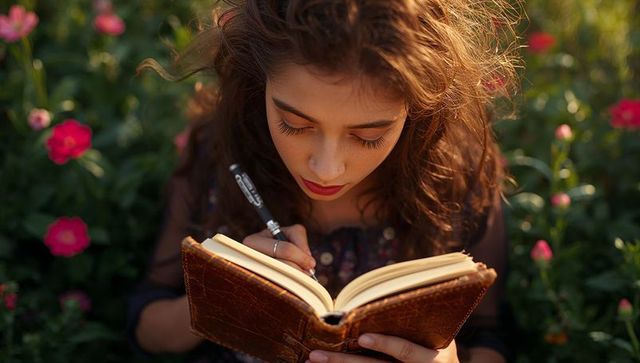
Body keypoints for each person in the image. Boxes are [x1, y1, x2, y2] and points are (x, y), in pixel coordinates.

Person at [127, 0, 520, 362]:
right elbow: (147, 328)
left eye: (368, 136)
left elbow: (489, 337)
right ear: (258, 82)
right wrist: (224, 296)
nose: (326, 168)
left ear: (417, 109)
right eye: (294, 124)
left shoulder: (455, 177)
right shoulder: (221, 154)